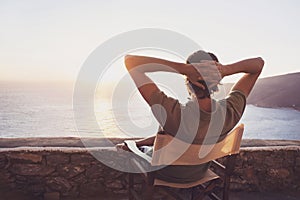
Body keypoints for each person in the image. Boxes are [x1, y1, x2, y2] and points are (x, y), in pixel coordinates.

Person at [116, 50, 264, 185]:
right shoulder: (230, 112)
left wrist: (183, 69)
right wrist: (225, 70)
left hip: (164, 173)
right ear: (218, 83)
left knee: (140, 152)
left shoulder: (172, 112)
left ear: (187, 81)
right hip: (198, 174)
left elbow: (130, 61)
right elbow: (258, 64)